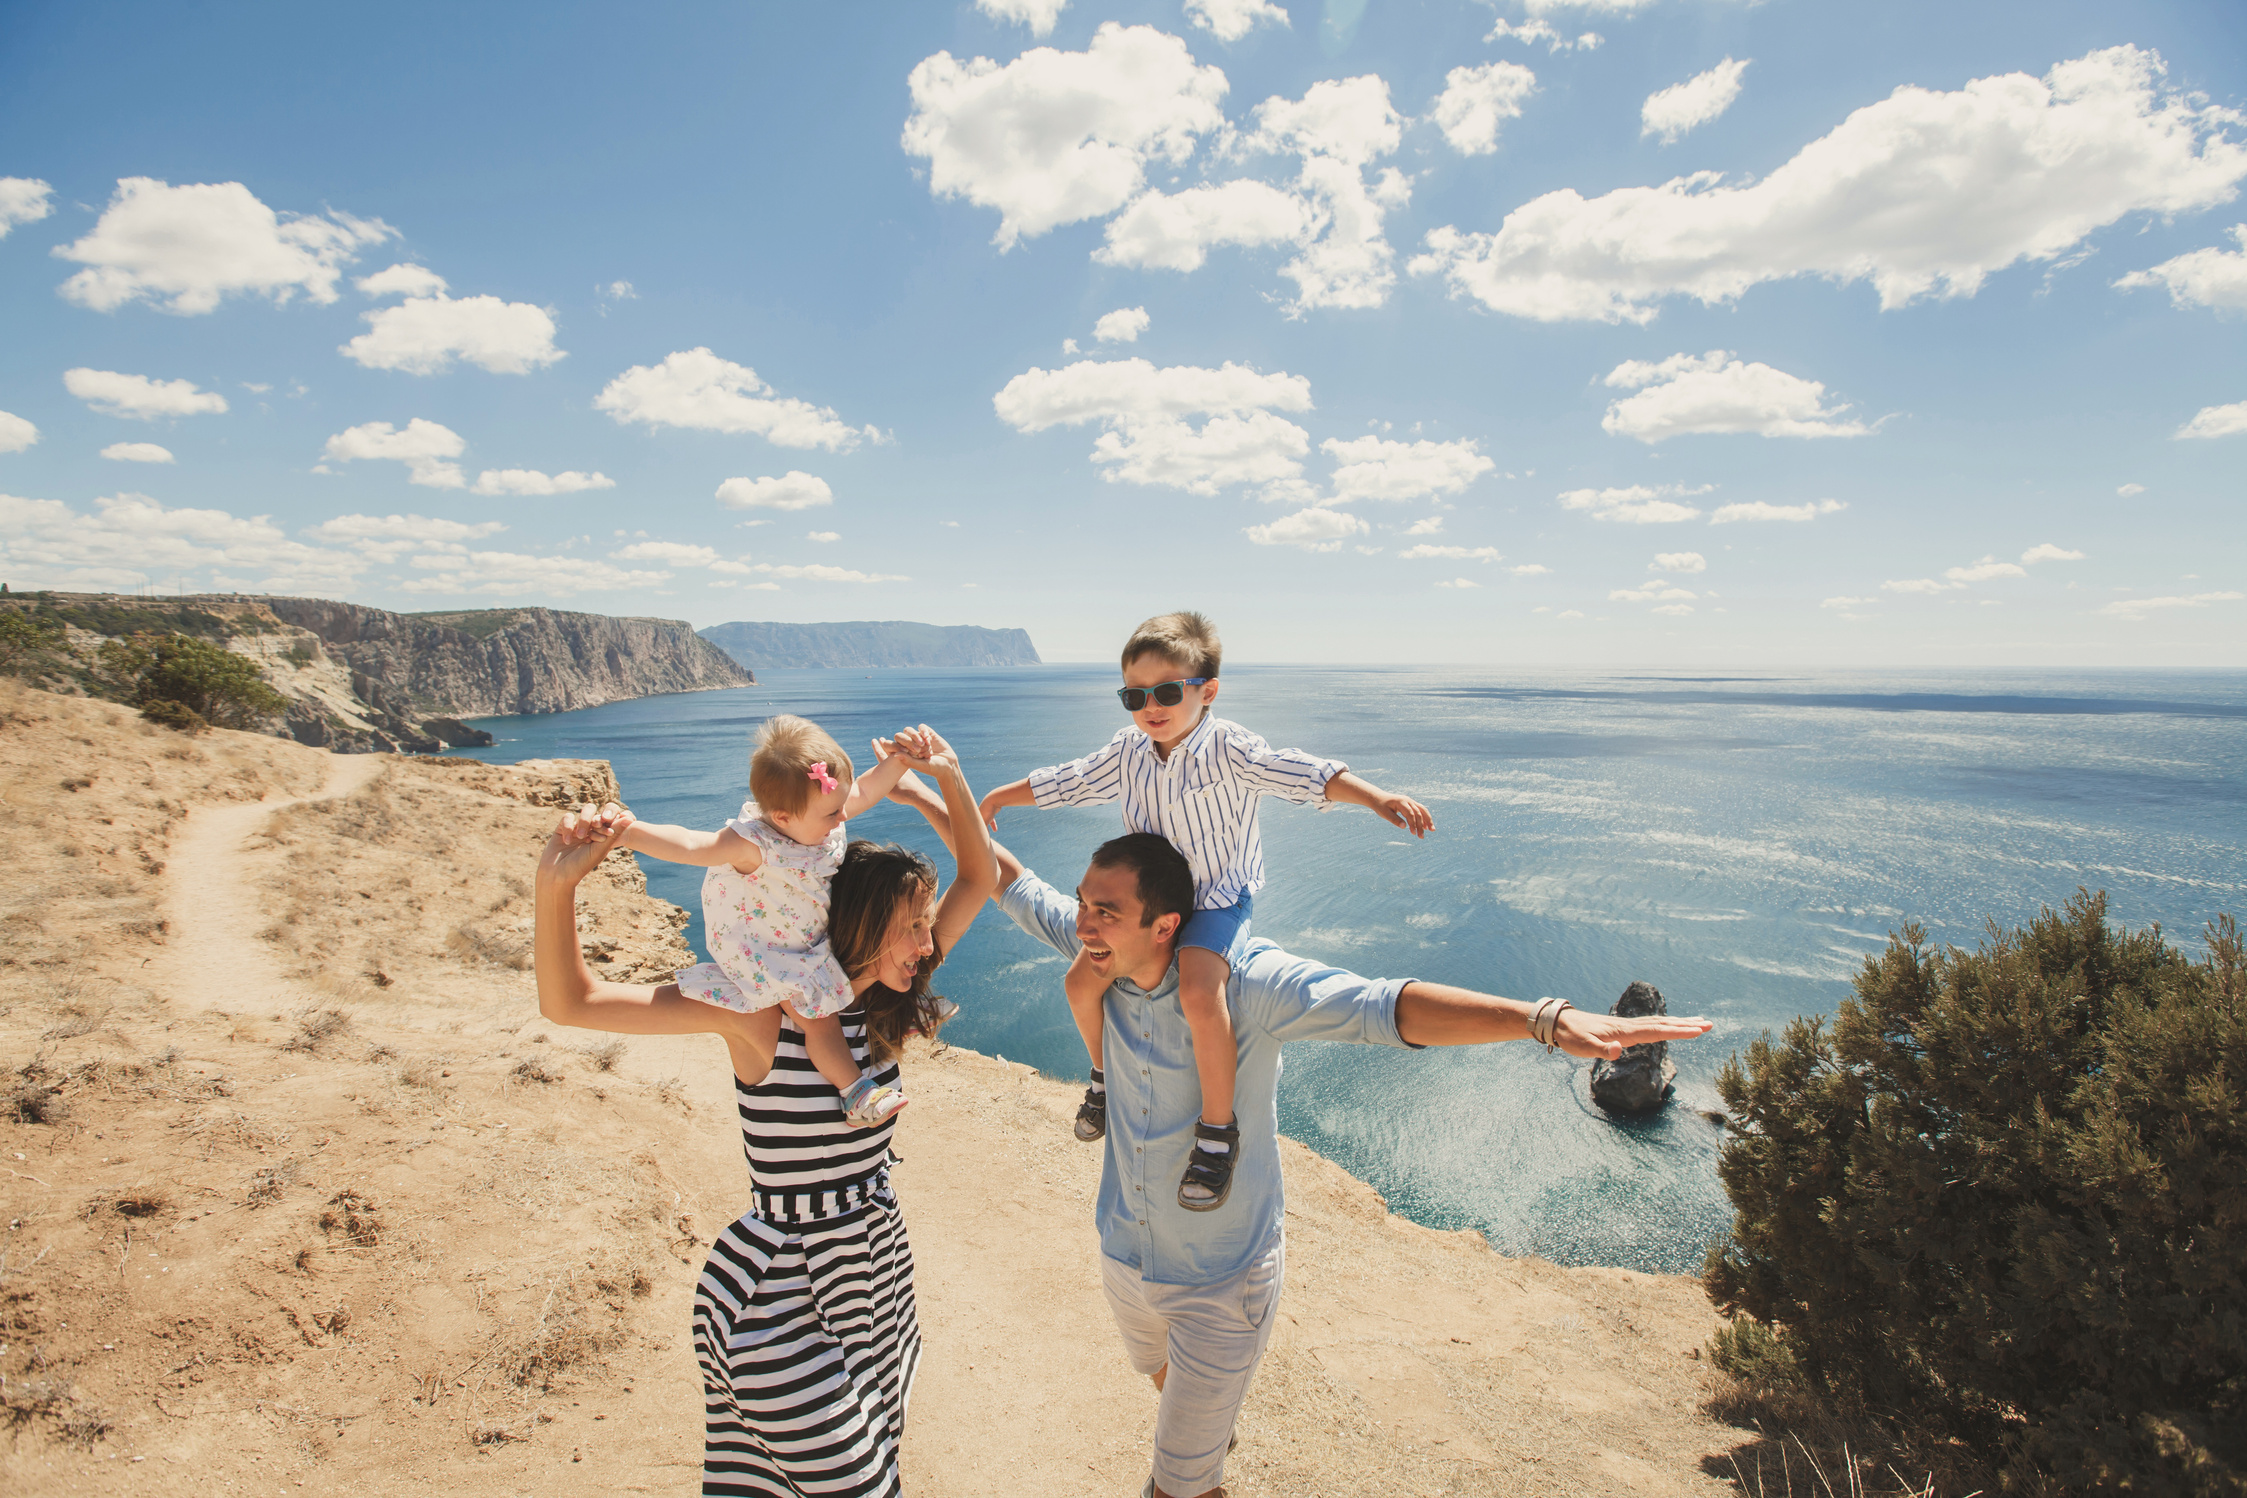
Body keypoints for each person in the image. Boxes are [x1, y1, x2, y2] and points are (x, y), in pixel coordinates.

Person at [888, 775, 1710, 1498]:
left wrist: (1540, 1018)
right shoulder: (1101, 951)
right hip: (1124, 1256)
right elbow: (1004, 877)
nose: (1083, 921)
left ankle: (1195, 1454)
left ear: (1166, 924)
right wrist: (931, 795)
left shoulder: (1246, 983)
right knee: (1161, 1379)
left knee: (1180, 1482)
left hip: (1219, 1281)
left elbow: (1387, 1006)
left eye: (1105, 909)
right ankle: (1203, 1426)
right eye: (1084, 902)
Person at [533, 726, 996, 1497]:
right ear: (856, 925)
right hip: (782, 1291)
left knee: (869, 1457)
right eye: (911, 926)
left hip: (873, 1272)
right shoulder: (761, 1014)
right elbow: (570, 1003)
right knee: (848, 1480)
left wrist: (947, 774)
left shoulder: (881, 999)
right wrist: (558, 889)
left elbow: (978, 877)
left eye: (926, 924)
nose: (927, 942)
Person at [977, 610, 1434, 1212]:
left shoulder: (1231, 749)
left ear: (1207, 691)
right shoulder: (1128, 751)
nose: (1150, 706)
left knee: (1198, 992)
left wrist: (1375, 796)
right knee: (1079, 983)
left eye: (1167, 691)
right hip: (1155, 905)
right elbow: (1071, 780)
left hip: (1218, 899)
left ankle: (1217, 1130)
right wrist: (997, 797)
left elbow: (1300, 771)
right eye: (1133, 695)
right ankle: (1103, 1077)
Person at [609, 713, 921, 1127]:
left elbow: (862, 790)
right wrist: (630, 832)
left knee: (832, 1002)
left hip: (802, 940)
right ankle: (856, 1092)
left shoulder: (819, 823)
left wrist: (900, 761)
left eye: (840, 807)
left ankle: (887, 1042)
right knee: (819, 1020)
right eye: (832, 813)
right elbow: (691, 844)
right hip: (771, 952)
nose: (843, 818)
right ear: (782, 817)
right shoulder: (753, 844)